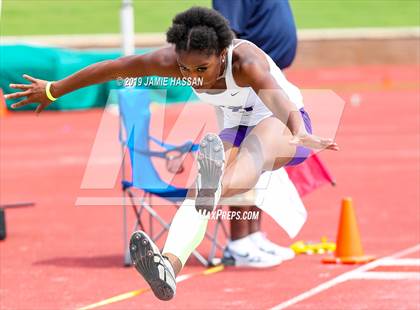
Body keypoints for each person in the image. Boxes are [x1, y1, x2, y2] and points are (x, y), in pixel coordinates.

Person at [5, 7, 338, 301]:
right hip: (235, 125)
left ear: (222, 54)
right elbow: (113, 68)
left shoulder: (245, 60)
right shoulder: (171, 61)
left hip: (280, 120)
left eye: (201, 69)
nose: (193, 77)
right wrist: (53, 89)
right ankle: (169, 266)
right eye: (185, 69)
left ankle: (216, 186)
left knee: (255, 153)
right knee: (200, 194)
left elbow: (280, 100)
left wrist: (299, 131)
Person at [213, 0, 299, 266]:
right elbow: (226, 35)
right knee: (245, 159)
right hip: (247, 86)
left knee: (261, 161)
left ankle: (253, 235)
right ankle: (239, 242)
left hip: (265, 79)